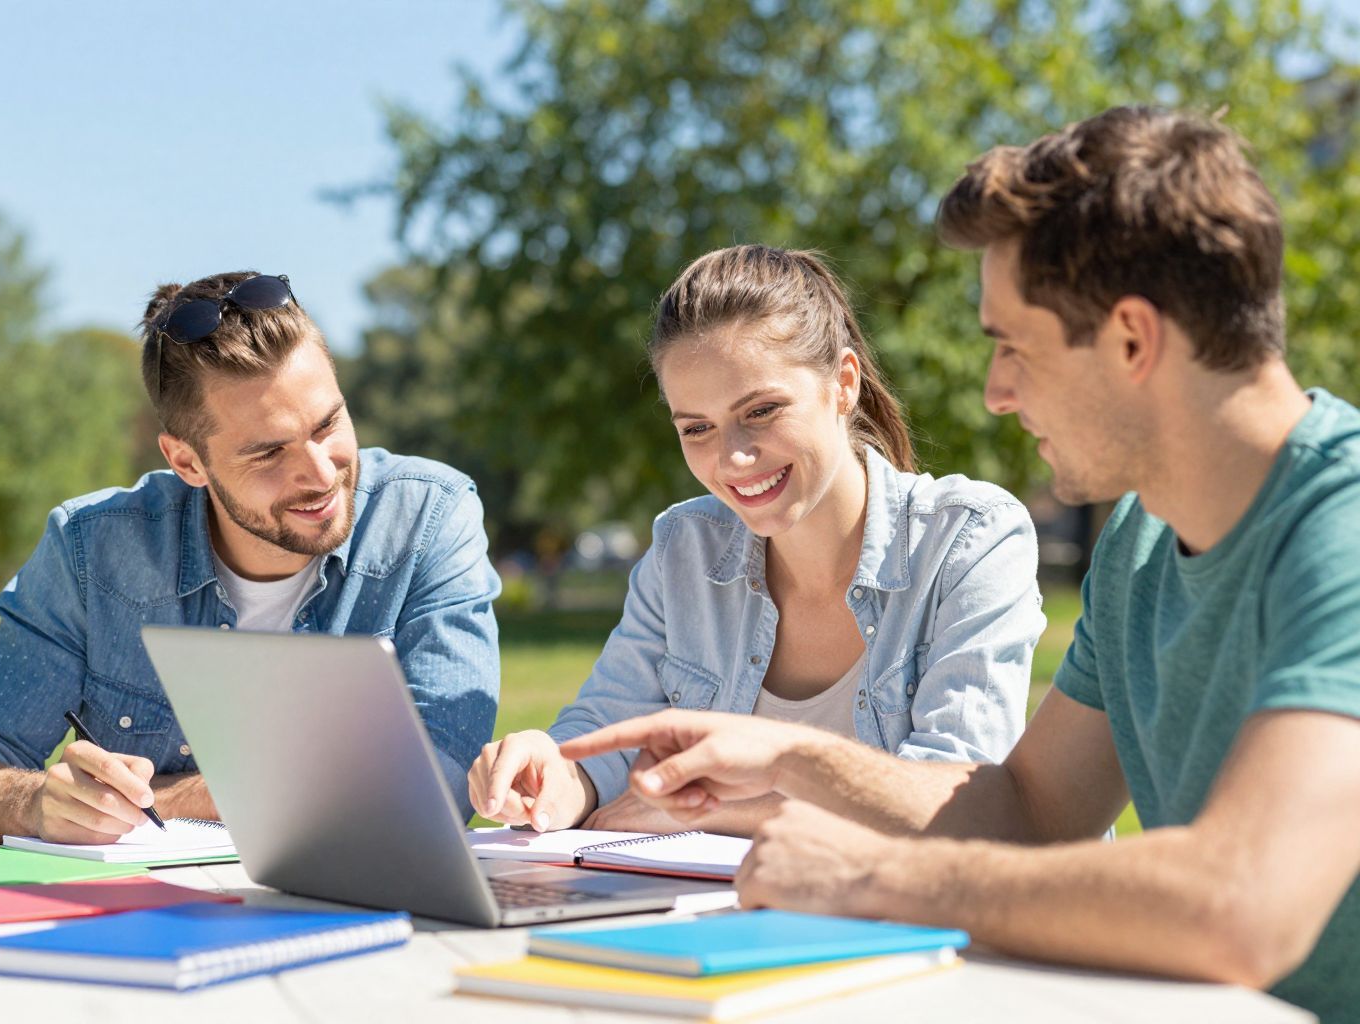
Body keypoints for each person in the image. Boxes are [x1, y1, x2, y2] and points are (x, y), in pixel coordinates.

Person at [560, 107, 1360, 1023]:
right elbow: (1028, 810)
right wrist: (791, 755)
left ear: (1134, 340)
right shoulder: (1141, 542)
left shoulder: (1343, 525)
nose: (996, 393)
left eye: (1012, 346)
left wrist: (873, 872)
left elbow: (1242, 905)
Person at [470, 245, 1046, 835]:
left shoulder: (970, 539)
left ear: (843, 385)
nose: (734, 458)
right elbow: (609, 731)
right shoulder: (683, 548)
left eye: (763, 410)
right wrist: (553, 777)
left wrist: (706, 812)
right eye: (697, 428)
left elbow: (959, 788)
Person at [0, 271, 501, 844]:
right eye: (269, 453)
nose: (322, 474)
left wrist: (183, 798)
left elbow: (438, 785)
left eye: (328, 424)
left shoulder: (429, 517)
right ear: (187, 462)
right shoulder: (93, 548)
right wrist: (37, 803)